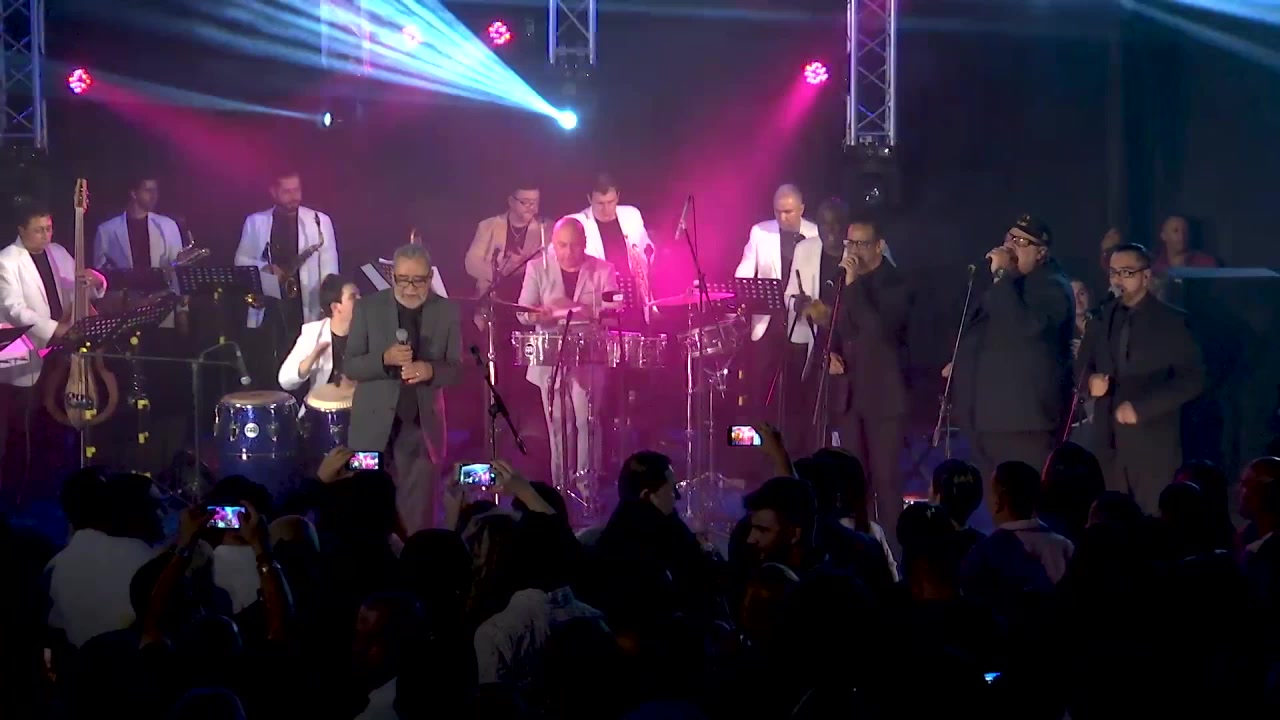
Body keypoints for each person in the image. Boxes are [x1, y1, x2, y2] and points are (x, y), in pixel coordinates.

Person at [1077, 243, 1204, 514]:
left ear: (1146, 276)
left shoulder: (1172, 321)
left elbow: (1193, 380)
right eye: (1113, 272)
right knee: (1112, 518)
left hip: (1152, 442)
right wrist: (1089, 383)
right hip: (1107, 443)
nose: (1118, 280)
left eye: (1126, 272)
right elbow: (1079, 368)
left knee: (1152, 519)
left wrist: (1143, 408)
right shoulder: (1100, 319)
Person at [343, 244, 461, 533]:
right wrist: (384, 359)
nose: (409, 288)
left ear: (430, 277)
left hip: (421, 430)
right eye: (402, 279)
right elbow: (351, 366)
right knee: (367, 518)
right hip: (372, 429)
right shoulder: (367, 308)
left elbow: (456, 369)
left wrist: (430, 370)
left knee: (418, 519)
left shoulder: (446, 311)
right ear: (392, 275)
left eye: (418, 280)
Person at [947, 213, 1073, 481]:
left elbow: (1024, 328)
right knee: (996, 499)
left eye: (1021, 242)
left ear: (1041, 253)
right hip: (985, 417)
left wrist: (1002, 275)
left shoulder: (1052, 286)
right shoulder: (1003, 286)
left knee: (1025, 498)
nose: (1010, 246)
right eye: (1009, 238)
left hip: (1023, 422)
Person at [0, 203, 107, 501]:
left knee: (59, 419)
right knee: (26, 427)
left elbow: (80, 288)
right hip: (29, 352)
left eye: (49, 228)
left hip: (63, 349)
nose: (46, 235)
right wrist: (56, 329)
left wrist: (96, 281)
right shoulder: (7, 260)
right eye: (39, 230)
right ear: (21, 230)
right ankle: (21, 493)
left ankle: (61, 484)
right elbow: (15, 309)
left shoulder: (58, 252)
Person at [515, 217, 619, 489]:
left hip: (589, 356)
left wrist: (582, 310)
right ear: (553, 243)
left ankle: (586, 488)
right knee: (559, 424)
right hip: (551, 356)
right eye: (562, 245)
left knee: (588, 422)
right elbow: (522, 312)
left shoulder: (603, 269)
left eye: (574, 245)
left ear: (584, 243)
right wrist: (539, 314)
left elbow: (614, 313)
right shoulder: (537, 268)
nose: (568, 252)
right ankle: (560, 487)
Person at [827, 218, 912, 549]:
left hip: (884, 398)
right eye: (850, 243)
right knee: (853, 481)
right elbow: (834, 328)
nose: (854, 251)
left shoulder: (896, 283)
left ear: (879, 246)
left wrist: (853, 286)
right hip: (849, 397)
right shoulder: (842, 283)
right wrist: (828, 354)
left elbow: (877, 330)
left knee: (886, 482)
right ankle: (859, 551)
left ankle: (895, 554)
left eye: (861, 244)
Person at [734, 185, 821, 447]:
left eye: (789, 212)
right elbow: (744, 270)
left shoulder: (816, 233)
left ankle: (796, 447)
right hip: (767, 321)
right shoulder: (760, 232)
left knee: (797, 388)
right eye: (778, 211)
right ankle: (756, 447)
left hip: (801, 321)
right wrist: (743, 293)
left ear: (802, 209)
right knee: (760, 387)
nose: (783, 217)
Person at [234, 170, 340, 380]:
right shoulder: (255, 222)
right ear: (273, 192)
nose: (294, 196)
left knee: (304, 369)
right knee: (268, 367)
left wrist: (327, 305)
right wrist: (265, 268)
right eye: (287, 191)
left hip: (304, 306)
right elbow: (240, 261)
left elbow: (330, 268)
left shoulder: (319, 221)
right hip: (269, 305)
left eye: (297, 190)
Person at [278, 273, 359, 395]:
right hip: (324, 403)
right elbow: (284, 380)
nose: (360, 299)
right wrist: (312, 358)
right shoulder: (313, 333)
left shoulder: (368, 329)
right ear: (336, 307)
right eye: (353, 297)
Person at [569, 173, 654, 272]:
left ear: (618, 196)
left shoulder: (632, 215)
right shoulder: (575, 224)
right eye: (600, 203)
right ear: (589, 199)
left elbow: (647, 251)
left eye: (610, 202)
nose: (606, 209)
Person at [1151, 215, 1216, 274]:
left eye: (1185, 231)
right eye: (1176, 231)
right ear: (1163, 236)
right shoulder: (1153, 264)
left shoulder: (1207, 263)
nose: (1181, 236)